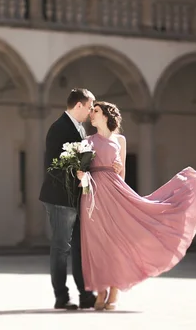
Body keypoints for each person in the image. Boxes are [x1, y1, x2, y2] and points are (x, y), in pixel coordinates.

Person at [77, 101, 196, 310]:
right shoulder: (87, 140)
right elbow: (82, 170)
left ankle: (115, 291)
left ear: (107, 115)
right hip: (92, 195)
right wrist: (80, 174)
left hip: (115, 192)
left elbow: (122, 175)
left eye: (96, 111)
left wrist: (118, 168)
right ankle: (100, 292)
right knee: (96, 243)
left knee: (116, 242)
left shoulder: (120, 140)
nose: (92, 114)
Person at [39, 89, 122, 310]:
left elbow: (88, 162)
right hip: (59, 198)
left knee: (79, 248)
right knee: (60, 248)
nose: (90, 111)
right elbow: (52, 166)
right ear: (79, 106)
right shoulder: (59, 128)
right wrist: (75, 172)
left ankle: (85, 294)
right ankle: (61, 296)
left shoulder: (81, 129)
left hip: (78, 199)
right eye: (90, 106)